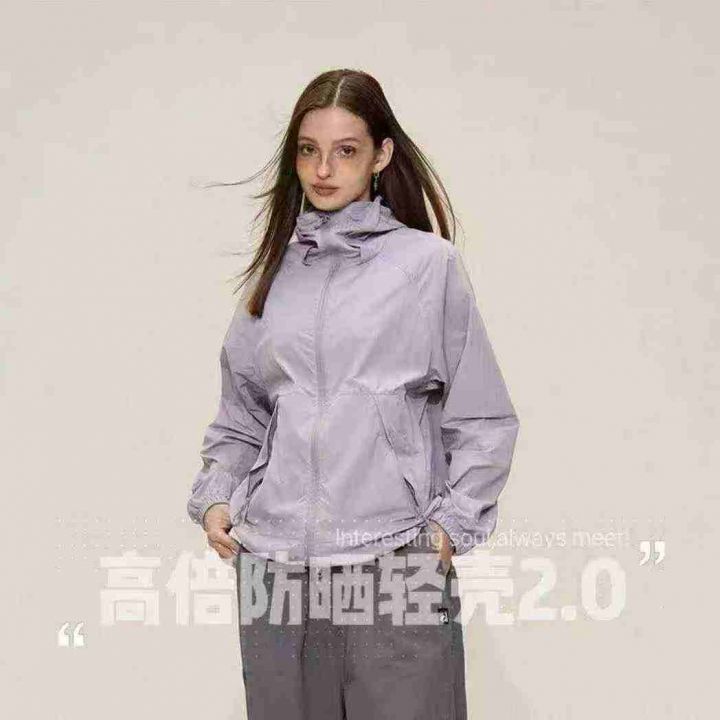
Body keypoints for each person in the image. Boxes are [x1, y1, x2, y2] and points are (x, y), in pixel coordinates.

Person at [186, 69, 520, 719]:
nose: (323, 169)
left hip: (392, 558)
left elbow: (482, 416)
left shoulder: (427, 267)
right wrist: (217, 495)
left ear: (381, 155)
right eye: (308, 150)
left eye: (346, 150)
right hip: (276, 570)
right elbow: (243, 415)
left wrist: (446, 532)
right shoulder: (273, 275)